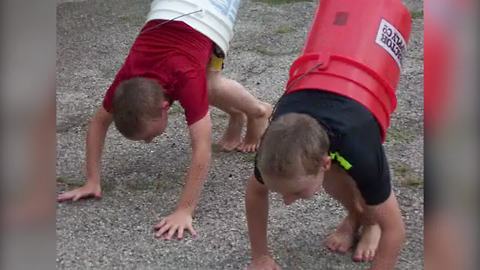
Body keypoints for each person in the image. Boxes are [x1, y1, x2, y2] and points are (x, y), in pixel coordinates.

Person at [57, 10, 271, 240]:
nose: (148, 141)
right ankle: (237, 116)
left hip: (211, 15)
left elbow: (202, 149)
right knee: (205, 86)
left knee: (210, 85)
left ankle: (258, 111)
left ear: (164, 106)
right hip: (175, 14)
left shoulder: (185, 77)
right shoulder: (127, 79)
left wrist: (184, 209)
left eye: (147, 136)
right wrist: (92, 180)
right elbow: (98, 122)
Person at [246, 90, 405, 270]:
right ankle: (355, 216)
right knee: (332, 181)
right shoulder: (271, 150)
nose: (287, 202)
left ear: (325, 163)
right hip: (320, 92)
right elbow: (255, 192)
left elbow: (394, 229)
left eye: (296, 192)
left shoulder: (360, 148)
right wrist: (259, 256)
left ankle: (370, 222)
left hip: (365, 89)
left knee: (363, 184)